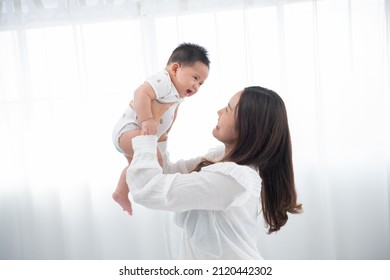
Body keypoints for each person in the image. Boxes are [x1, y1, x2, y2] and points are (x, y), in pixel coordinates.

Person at [127, 86, 303, 259]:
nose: (219, 112)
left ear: (248, 126)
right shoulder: (220, 159)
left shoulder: (233, 179)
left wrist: (147, 132)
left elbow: (147, 189)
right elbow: (166, 174)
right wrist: (161, 132)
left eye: (228, 109)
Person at [112, 43, 210, 215]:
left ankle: (121, 192)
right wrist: (147, 119)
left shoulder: (177, 94)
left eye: (201, 83)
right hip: (129, 129)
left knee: (137, 167)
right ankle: (124, 191)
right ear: (175, 68)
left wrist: (166, 131)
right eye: (195, 78)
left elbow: (173, 113)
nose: (196, 86)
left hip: (138, 134)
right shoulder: (163, 80)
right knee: (154, 160)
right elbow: (140, 93)